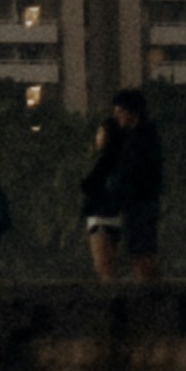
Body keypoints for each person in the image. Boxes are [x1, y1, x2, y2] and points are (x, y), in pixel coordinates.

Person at [75, 88, 166, 283]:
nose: (117, 117)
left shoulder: (138, 141)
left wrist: (115, 191)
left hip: (138, 203)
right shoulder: (139, 139)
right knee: (139, 254)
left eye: (119, 112)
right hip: (135, 204)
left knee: (140, 255)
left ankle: (152, 297)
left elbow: (132, 175)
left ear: (132, 113)